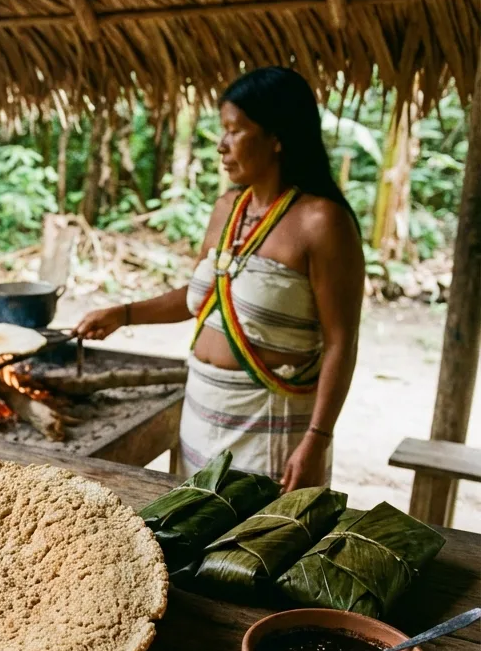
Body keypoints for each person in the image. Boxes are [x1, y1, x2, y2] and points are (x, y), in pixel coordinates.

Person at [75, 67, 364, 491]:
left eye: (235, 130)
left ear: (277, 137)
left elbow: (341, 342)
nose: (221, 145)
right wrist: (123, 314)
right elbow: (202, 299)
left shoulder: (322, 223)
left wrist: (317, 440)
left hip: (271, 433)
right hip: (201, 416)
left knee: (260, 532)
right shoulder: (228, 208)